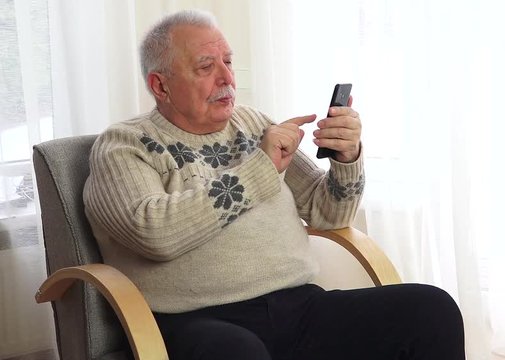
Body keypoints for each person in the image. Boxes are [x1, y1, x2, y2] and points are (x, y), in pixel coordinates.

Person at [83, 9, 465, 360]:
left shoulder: (252, 124)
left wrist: (346, 159)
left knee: (430, 309)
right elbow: (156, 234)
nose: (227, 78)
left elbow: (327, 213)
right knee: (237, 352)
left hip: (299, 306)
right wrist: (259, 169)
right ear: (161, 86)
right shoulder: (123, 145)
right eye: (205, 67)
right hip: (195, 319)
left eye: (228, 62)